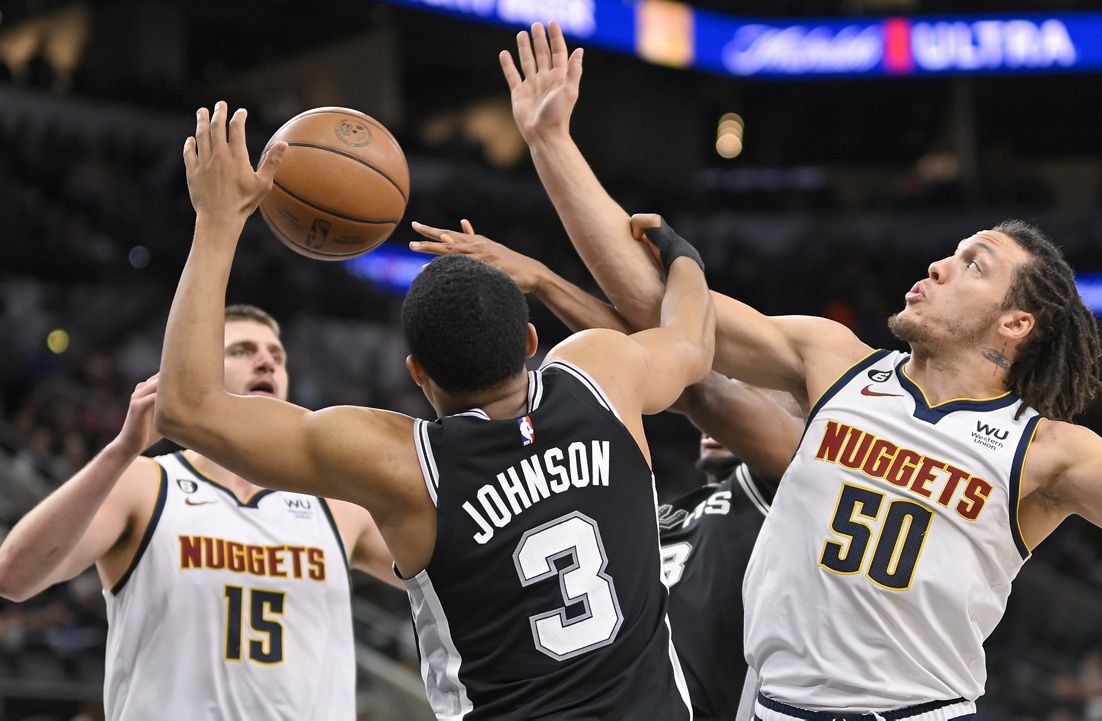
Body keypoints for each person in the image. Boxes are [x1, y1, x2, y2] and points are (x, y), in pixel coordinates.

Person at [498, 22, 1102, 720]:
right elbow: (663, 305)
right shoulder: (834, 361)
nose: (937, 264)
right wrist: (552, 143)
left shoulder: (1044, 452)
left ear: (1016, 323)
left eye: (971, 265)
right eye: (949, 253)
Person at [155, 99, 715, 720]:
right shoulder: (601, 376)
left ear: (417, 373)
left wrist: (217, 222)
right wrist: (680, 254)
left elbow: (185, 407)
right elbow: (691, 339)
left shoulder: (403, 465)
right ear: (530, 342)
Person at [408, 219, 803, 720]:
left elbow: (699, 388)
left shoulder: (789, 483)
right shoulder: (652, 510)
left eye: (756, 396)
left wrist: (554, 282)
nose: (730, 409)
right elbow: (623, 377)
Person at [0, 305, 398, 721]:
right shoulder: (146, 483)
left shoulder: (336, 503)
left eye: (276, 356)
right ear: (198, 372)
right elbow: (14, 575)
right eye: (242, 351)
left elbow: (456, 574)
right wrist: (121, 451)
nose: (266, 361)